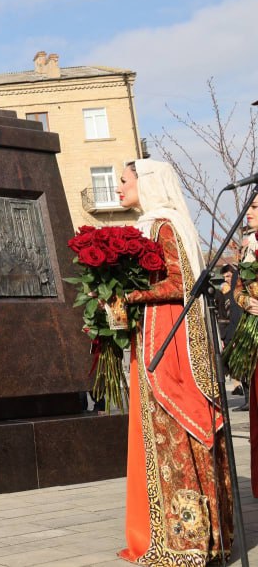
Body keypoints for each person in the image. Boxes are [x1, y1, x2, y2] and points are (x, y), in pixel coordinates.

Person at [117, 160, 232, 564]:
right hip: (157, 330)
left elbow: (180, 281)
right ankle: (188, 536)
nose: (118, 189)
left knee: (173, 428)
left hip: (169, 338)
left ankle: (189, 541)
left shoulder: (163, 225)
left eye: (124, 181)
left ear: (146, 183)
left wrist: (132, 295)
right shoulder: (159, 223)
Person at [231, 195, 258, 494]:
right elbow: (238, 288)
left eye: (254, 207)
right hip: (255, 334)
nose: (248, 212)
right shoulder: (248, 247)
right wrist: (245, 300)